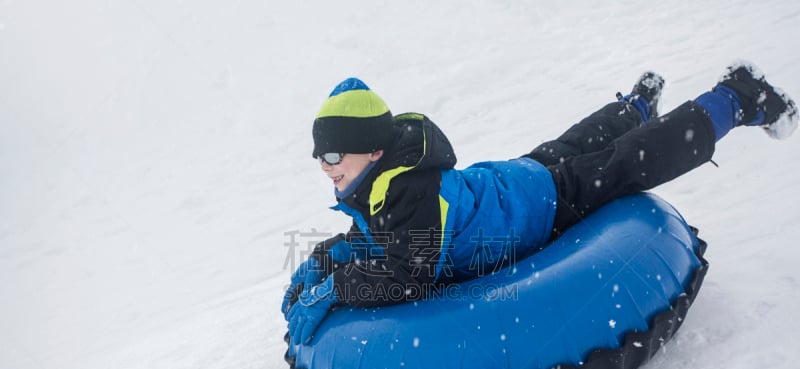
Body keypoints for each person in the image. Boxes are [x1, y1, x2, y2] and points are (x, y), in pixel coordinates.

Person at [283, 61, 798, 345]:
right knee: (572, 146)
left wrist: (340, 286)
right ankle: (634, 105)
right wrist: (327, 257)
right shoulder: (381, 180)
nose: (325, 166)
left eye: (333, 154)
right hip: (511, 183)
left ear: (373, 150)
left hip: (539, 209)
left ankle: (737, 97)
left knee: (628, 162)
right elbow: (381, 235)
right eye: (318, 156)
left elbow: (410, 274)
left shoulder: (405, 190)